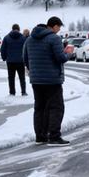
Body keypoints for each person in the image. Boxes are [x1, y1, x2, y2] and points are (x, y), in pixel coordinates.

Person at [24, 15, 70, 147]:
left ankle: (40, 136)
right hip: (52, 80)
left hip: (36, 80)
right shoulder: (54, 38)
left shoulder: (30, 39)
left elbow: (25, 58)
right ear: (54, 26)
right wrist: (69, 53)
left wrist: (33, 71)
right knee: (56, 107)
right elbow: (60, 58)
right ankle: (54, 136)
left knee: (40, 108)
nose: (59, 30)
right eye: (59, 27)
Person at [1, 23, 28, 96]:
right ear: (19, 29)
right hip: (20, 61)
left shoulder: (6, 38)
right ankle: (23, 91)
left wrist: (4, 57)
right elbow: (26, 49)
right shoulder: (23, 38)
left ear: (12, 29)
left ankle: (12, 92)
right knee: (22, 77)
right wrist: (26, 59)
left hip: (10, 61)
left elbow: (3, 49)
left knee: (11, 77)